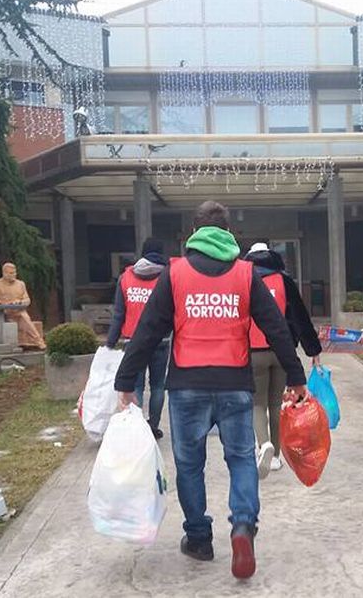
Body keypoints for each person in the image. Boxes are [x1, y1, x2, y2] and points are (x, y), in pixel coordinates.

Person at [114, 201, 307, 580]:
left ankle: (200, 538)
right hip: (235, 383)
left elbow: (149, 329)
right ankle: (243, 526)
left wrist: (125, 381)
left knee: (189, 465)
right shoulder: (245, 274)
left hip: (187, 385)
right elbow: (276, 327)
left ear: (194, 232)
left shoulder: (176, 273)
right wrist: (295, 374)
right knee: (241, 459)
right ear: (228, 232)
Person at [244, 242, 322, 479]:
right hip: (282, 351)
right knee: (277, 404)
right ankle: (276, 456)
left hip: (253, 352)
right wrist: (313, 350)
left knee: (257, 404)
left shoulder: (243, 280)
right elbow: (300, 317)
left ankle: (263, 445)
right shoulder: (284, 281)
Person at [106, 238, 168, 439]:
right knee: (158, 386)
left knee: (136, 386)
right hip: (161, 341)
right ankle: (153, 426)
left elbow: (118, 314)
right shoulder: (166, 277)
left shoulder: (126, 278)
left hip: (133, 341)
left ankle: (138, 428)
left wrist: (110, 342)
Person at [0, 262, 46, 350]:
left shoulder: (21, 284)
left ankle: (39, 341)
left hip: (19, 312)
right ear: (4, 273)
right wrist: (3, 303)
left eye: (14, 272)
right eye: (11, 273)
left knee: (24, 317)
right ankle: (38, 341)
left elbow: (27, 300)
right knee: (23, 318)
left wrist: (20, 302)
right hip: (6, 313)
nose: (14, 275)